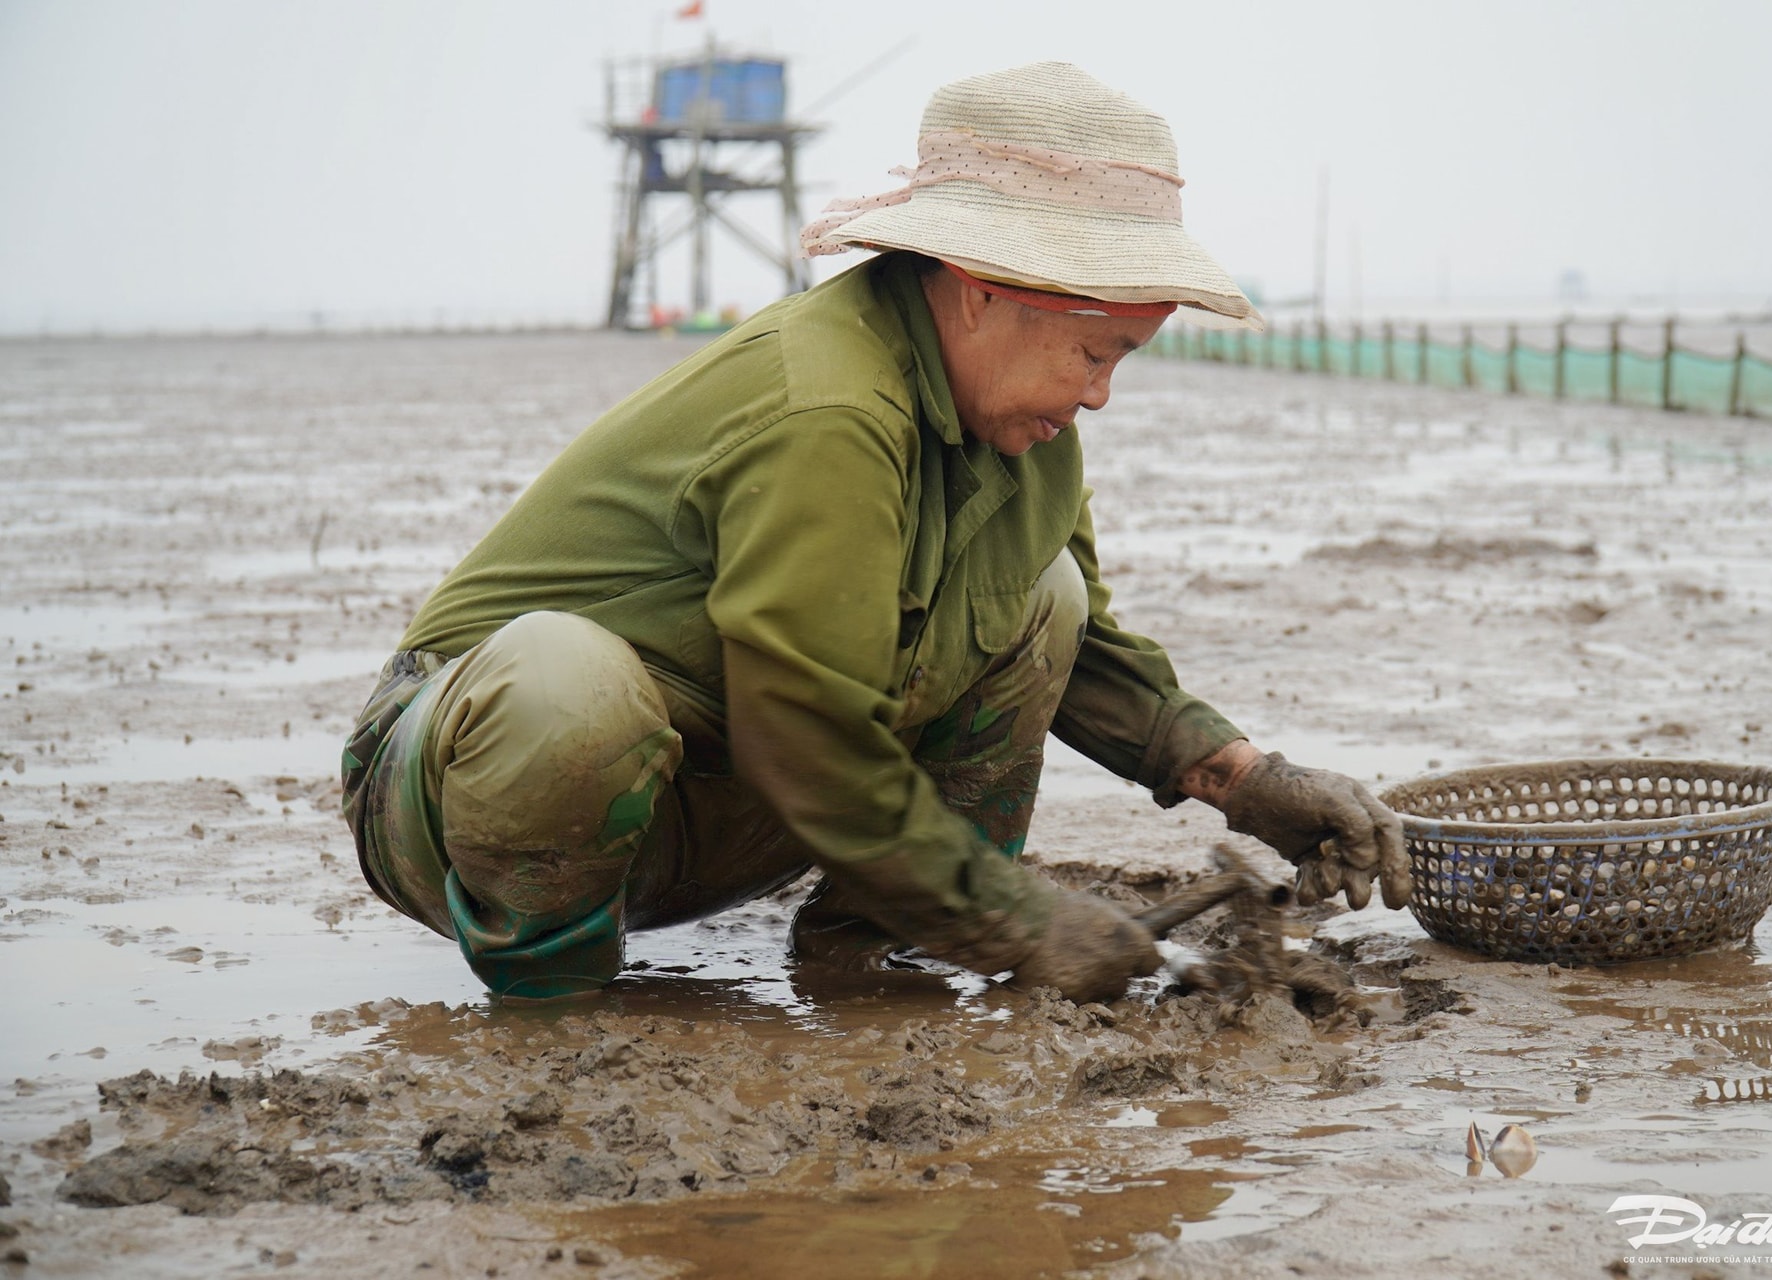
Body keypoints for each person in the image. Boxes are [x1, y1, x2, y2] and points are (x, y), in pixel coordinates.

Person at [339, 62, 1409, 1005]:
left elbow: (1084, 660)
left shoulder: (1024, 436)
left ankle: (874, 946)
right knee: (561, 681)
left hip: (720, 801)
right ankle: (552, 993)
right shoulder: (831, 408)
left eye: (1124, 361)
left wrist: (1246, 776)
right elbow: (806, 730)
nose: (1100, 396)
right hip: (466, 804)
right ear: (985, 290)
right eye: (1095, 354)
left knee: (1053, 601)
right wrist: (1017, 919)